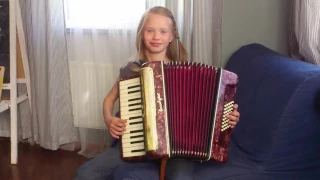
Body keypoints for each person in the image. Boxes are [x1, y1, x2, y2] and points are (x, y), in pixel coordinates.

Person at [75, 6, 240, 180]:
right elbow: (109, 99)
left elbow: (209, 108)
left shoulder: (187, 72)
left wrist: (228, 116)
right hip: (138, 144)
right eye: (150, 30)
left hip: (179, 151)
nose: (156, 37)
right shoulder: (132, 70)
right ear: (141, 33)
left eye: (163, 31)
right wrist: (109, 119)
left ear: (171, 36)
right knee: (85, 172)